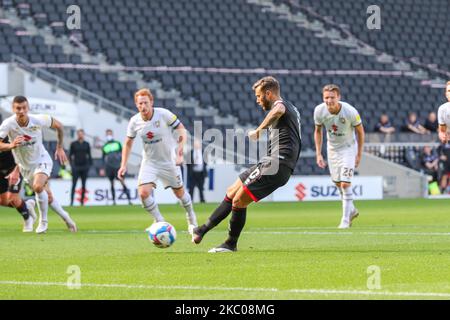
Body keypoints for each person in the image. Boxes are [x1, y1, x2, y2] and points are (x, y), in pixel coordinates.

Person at [192, 76, 302, 252]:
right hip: (269, 161)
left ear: (269, 93)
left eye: (259, 96)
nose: (258, 101)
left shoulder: (280, 105)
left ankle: (230, 243)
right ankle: (202, 230)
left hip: (277, 164)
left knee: (239, 201)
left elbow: (278, 110)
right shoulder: (292, 107)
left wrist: (259, 131)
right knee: (232, 191)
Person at [118, 89, 198, 234]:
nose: (143, 106)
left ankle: (191, 218)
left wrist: (180, 151)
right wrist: (123, 165)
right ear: (136, 105)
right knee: (143, 193)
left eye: (146, 103)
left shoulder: (163, 114)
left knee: (180, 194)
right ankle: (160, 221)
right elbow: (128, 143)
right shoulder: (134, 121)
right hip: (150, 162)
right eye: (140, 103)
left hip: (169, 161)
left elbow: (182, 130)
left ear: (151, 102)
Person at [0, 96, 77, 233]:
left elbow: (59, 126)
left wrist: (59, 147)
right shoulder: (8, 124)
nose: (21, 111)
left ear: (28, 107)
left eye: (24, 107)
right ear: (13, 109)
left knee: (37, 186)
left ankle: (43, 221)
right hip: (25, 167)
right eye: (18, 108)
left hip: (42, 160)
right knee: (48, 196)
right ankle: (67, 218)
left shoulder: (39, 119)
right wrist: (11, 145)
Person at [314, 84, 365, 229]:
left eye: (332, 97)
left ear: (338, 97)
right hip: (332, 150)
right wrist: (318, 153)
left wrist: (359, 154)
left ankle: (345, 220)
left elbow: (360, 132)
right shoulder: (319, 110)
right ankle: (352, 210)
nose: (329, 100)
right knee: (337, 184)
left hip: (348, 148)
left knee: (345, 184)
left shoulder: (350, 111)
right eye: (326, 97)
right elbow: (318, 131)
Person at [0, 137, 37, 232]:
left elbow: (22, 153)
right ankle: (26, 205)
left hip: (14, 170)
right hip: (1, 172)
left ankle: (28, 219)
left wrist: (16, 170)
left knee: (12, 198)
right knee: (3, 201)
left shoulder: (8, 136)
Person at [100, 129, 132, 205]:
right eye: (107, 134)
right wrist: (102, 168)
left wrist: (124, 165)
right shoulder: (105, 146)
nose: (109, 136)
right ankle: (114, 201)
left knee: (122, 182)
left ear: (112, 134)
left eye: (110, 134)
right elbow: (103, 158)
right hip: (109, 167)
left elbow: (123, 154)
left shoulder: (117, 144)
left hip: (117, 166)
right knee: (111, 183)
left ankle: (129, 200)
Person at [69, 129, 92, 206]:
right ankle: (71, 202)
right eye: (79, 134)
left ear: (83, 135)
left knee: (84, 185)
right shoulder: (73, 144)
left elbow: (89, 155)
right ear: (77, 135)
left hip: (84, 167)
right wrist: (72, 165)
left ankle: (82, 202)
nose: (80, 135)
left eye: (81, 134)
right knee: (74, 184)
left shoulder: (87, 144)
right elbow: (70, 155)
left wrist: (89, 165)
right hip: (76, 166)